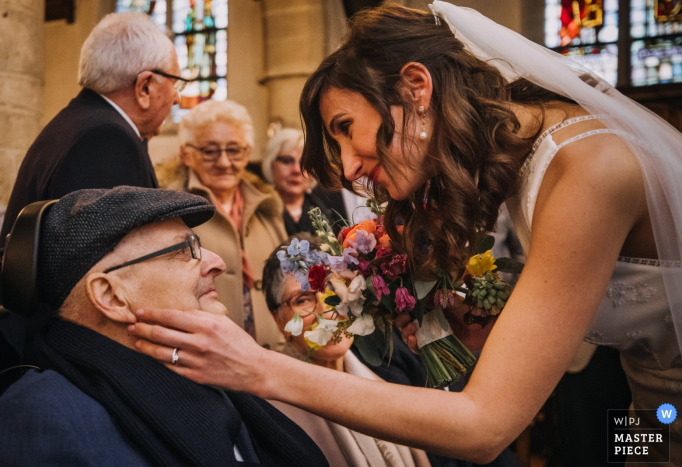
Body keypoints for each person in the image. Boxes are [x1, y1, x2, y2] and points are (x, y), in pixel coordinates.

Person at [127, 2, 682, 465]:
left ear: (417, 86)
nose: (346, 169)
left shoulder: (591, 168)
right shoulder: (528, 160)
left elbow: (485, 427)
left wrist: (256, 368)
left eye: (346, 128)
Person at [0, 186, 329, 467]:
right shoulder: (43, 419)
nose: (217, 263)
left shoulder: (208, 373)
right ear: (111, 296)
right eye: (184, 249)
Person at [0, 11, 184, 378]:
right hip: (72, 368)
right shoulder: (107, 140)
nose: (176, 97)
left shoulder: (77, 122)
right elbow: (111, 275)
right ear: (144, 87)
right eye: (175, 83)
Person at [262, 234, 432, 467]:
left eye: (333, 287)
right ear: (280, 322)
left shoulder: (381, 384)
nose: (328, 310)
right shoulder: (277, 418)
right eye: (303, 299)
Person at [174, 99, 287, 350]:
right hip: (207, 359)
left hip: (277, 359)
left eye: (234, 150)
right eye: (210, 151)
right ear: (187, 154)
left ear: (247, 154)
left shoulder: (267, 208)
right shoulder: (172, 213)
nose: (224, 162)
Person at [262, 128, 347, 235]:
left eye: (305, 163)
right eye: (287, 161)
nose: (297, 170)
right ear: (271, 164)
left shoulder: (330, 210)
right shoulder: (260, 211)